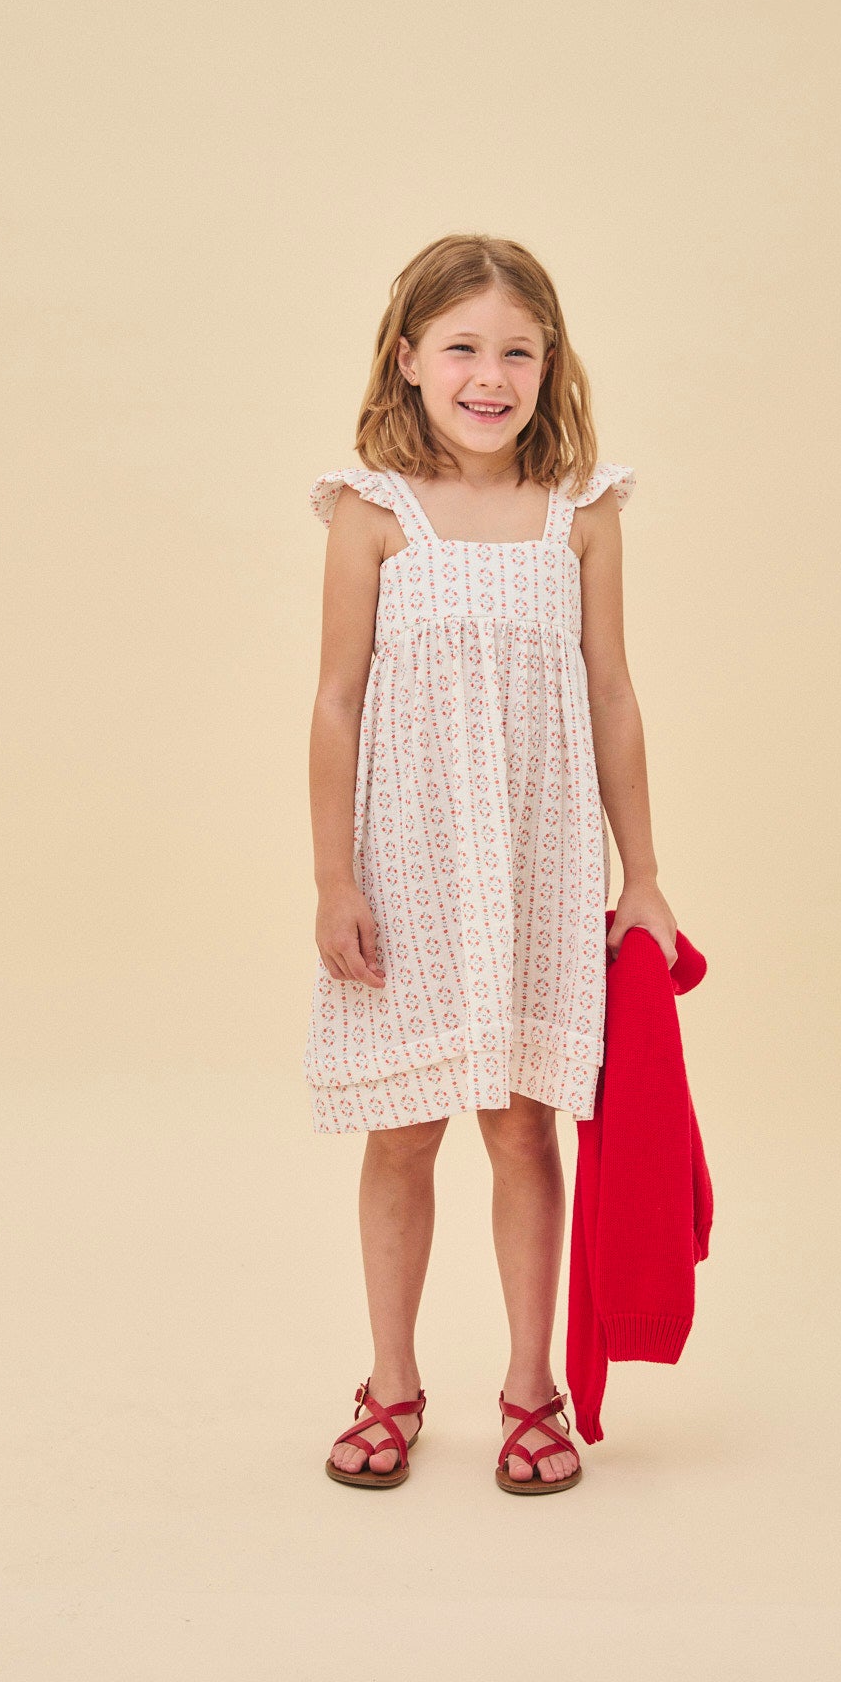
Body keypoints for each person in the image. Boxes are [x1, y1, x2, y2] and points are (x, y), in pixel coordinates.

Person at [304, 232, 679, 1494]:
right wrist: (334, 879)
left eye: (517, 351)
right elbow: (336, 702)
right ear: (409, 357)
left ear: (548, 364)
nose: (489, 375)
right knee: (403, 1129)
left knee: (523, 1129)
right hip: (407, 866)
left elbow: (612, 693)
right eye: (461, 346)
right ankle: (391, 1380)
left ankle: (530, 1386)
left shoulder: (580, 514)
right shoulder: (371, 513)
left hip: (535, 866)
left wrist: (641, 873)